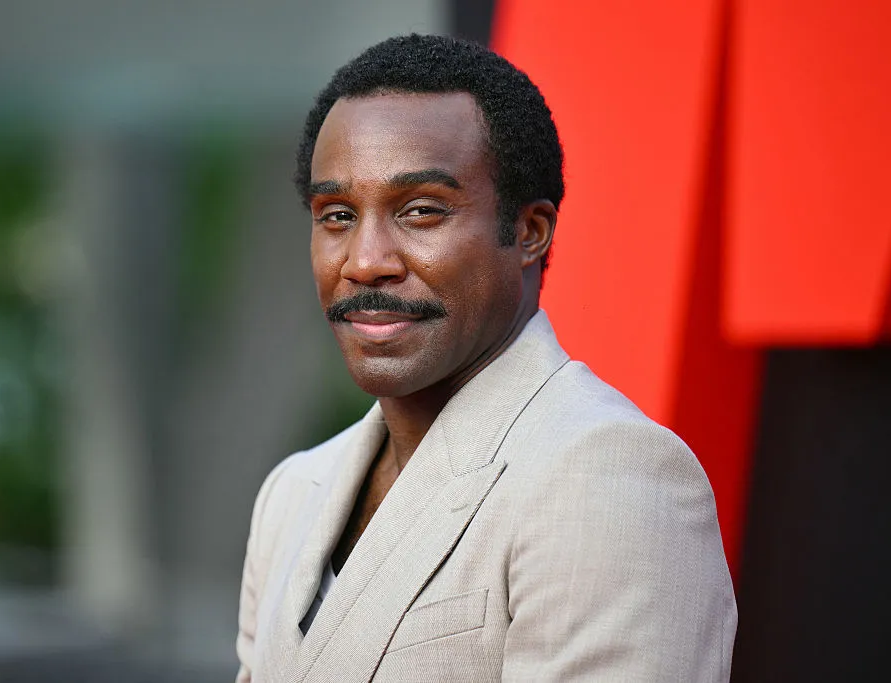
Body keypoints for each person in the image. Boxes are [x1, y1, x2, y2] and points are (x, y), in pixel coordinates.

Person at [236, 34, 736, 683]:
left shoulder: (607, 477)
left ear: (528, 232)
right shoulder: (293, 493)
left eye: (420, 211)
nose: (364, 261)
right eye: (336, 214)